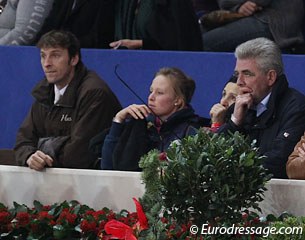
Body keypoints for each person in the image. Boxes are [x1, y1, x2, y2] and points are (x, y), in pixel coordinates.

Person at [14, 30, 122, 171]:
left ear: (74, 59)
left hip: (93, 184)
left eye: (55, 55)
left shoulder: (94, 93)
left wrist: (44, 148)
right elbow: (23, 141)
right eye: (43, 56)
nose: (47, 63)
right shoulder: (44, 92)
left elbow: (78, 155)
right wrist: (30, 156)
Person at [217, 37, 305, 179]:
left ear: (270, 77)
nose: (239, 82)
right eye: (236, 74)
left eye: (247, 74)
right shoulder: (238, 108)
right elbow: (213, 156)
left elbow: (277, 162)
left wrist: (233, 172)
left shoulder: (297, 108)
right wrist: (234, 123)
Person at [101, 67, 209, 171]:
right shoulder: (140, 124)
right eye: (151, 91)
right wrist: (119, 120)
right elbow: (107, 168)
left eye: (159, 93)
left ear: (178, 101)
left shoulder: (191, 131)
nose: (151, 97)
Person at [201, 0, 305, 52]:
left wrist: (241, 4)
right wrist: (239, 5)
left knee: (205, 43)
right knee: (193, 37)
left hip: (274, 21)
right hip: (249, 16)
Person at [109, 0, 203, 51]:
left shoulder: (173, 4)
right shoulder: (124, 4)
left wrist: (137, 43)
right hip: (130, 65)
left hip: (166, 70)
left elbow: (178, 41)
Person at [34, 0, 114, 49]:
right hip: (59, 53)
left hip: (86, 57)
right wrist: (35, 45)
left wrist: (64, 45)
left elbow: (99, 37)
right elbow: (49, 25)